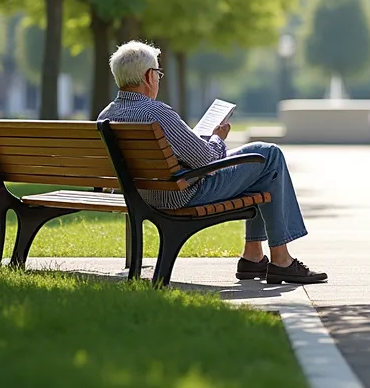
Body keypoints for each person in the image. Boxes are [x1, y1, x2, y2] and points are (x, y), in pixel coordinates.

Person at [98, 41, 327, 285]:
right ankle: (281, 260)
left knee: (261, 166)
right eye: (158, 73)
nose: (159, 78)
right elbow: (207, 159)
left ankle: (253, 257)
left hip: (142, 194)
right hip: (179, 195)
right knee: (268, 155)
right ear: (147, 76)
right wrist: (218, 137)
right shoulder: (156, 113)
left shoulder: (106, 115)